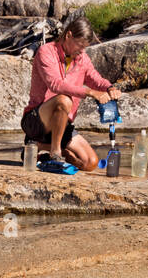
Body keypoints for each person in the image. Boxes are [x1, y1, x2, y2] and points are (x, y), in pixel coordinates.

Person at [21, 14, 119, 172]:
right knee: (64, 100)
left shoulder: (82, 58)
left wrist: (110, 88)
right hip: (36, 121)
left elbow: (95, 79)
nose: (82, 51)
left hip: (62, 124)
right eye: (80, 45)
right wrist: (90, 92)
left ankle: (40, 147)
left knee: (90, 163)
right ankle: (55, 152)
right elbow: (55, 85)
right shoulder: (46, 52)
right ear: (68, 35)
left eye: (85, 47)